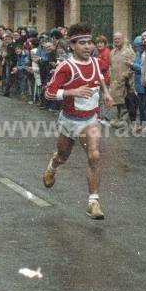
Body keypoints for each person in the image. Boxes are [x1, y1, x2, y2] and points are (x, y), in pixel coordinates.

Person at [43, 23, 114, 219]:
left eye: (90, 42)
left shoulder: (96, 62)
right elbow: (48, 93)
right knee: (62, 157)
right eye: (82, 43)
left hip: (90, 119)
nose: (88, 46)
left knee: (94, 156)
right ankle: (52, 167)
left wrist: (106, 93)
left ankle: (93, 202)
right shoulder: (65, 67)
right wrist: (72, 91)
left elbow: (99, 77)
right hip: (69, 120)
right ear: (72, 45)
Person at [108, 32, 135, 127]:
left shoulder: (129, 52)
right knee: (117, 101)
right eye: (115, 39)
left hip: (126, 81)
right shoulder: (112, 52)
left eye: (118, 39)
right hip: (115, 81)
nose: (116, 40)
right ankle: (118, 117)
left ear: (123, 39)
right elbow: (111, 66)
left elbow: (133, 66)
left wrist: (125, 76)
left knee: (125, 101)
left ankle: (125, 119)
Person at [129, 36, 146, 132]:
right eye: (135, 46)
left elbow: (143, 68)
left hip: (143, 83)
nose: (136, 48)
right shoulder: (138, 54)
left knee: (144, 106)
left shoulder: (145, 54)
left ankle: (145, 124)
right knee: (140, 106)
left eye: (137, 46)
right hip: (137, 84)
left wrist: (132, 65)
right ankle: (142, 124)